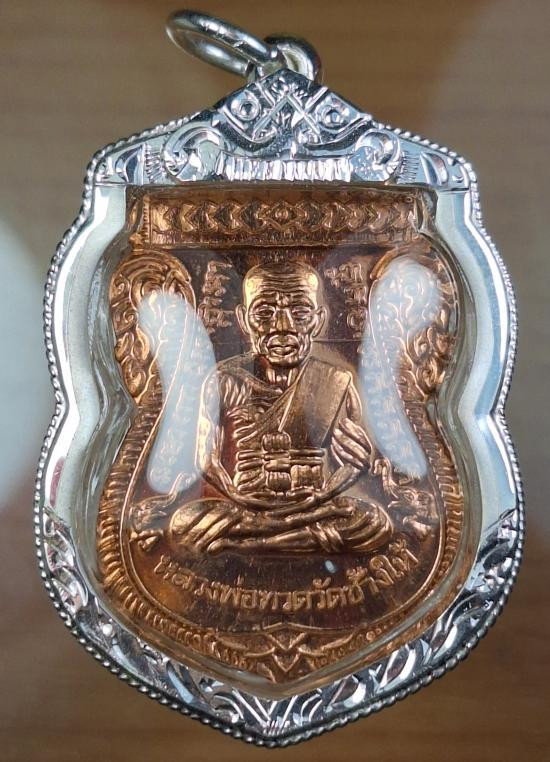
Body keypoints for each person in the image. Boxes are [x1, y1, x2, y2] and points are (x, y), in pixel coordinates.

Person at [166, 259, 392, 555]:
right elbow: (206, 461)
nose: (282, 327)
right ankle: (291, 539)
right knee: (183, 524)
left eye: (299, 313)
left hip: (312, 503)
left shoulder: (336, 380)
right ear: (244, 320)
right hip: (247, 505)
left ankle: (248, 543)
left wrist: (339, 481)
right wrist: (238, 497)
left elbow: (351, 463)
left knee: (374, 522)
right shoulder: (225, 380)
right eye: (264, 313)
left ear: (319, 320)